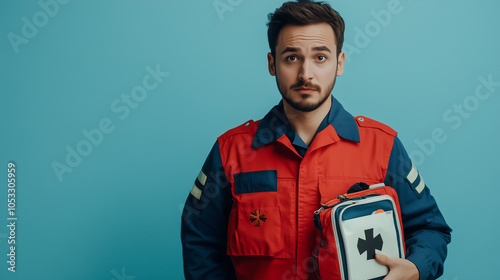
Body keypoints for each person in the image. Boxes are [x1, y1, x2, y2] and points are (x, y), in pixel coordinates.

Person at [181, 0, 452, 279]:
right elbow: (200, 242)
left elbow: (430, 228)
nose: (305, 74)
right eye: (292, 57)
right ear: (272, 64)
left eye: (320, 57)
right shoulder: (231, 152)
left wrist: (416, 268)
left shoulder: (382, 147)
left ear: (340, 63)